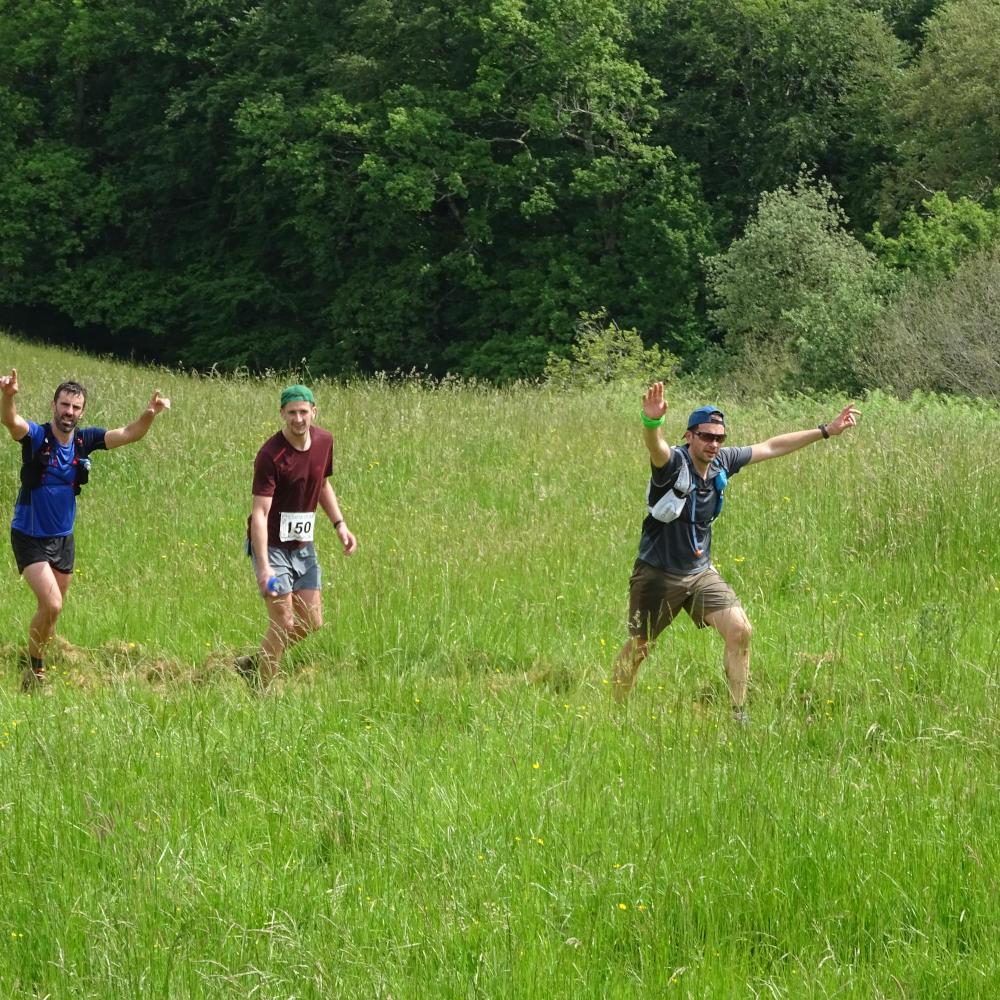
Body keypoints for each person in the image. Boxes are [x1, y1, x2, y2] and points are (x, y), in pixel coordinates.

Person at [611, 382, 859, 720]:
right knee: (640, 646)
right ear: (689, 436)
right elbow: (656, 449)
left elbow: (771, 447)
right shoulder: (672, 465)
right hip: (657, 572)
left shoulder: (722, 462)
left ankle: (738, 713)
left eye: (719, 438)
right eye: (706, 436)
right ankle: (615, 712)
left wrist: (826, 431)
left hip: (699, 573)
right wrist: (651, 423)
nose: (714, 443)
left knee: (740, 629)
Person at [1, 369, 171, 690]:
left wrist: (149, 414)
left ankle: (38, 660)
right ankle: (35, 672)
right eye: (65, 405)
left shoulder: (84, 440)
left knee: (51, 613)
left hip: (63, 538)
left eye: (76, 407)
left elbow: (129, 433)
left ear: (82, 411)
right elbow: (12, 422)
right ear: (54, 405)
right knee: (52, 604)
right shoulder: (38, 436)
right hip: (28, 534)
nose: (70, 412)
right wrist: (8, 397)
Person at [237, 384, 357, 687]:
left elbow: (322, 485)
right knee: (283, 622)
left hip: (304, 548)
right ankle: (263, 694)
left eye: (304, 412)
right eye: (292, 413)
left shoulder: (324, 442)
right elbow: (260, 514)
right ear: (282, 414)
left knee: (312, 622)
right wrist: (263, 567)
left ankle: (255, 662)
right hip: (273, 549)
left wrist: (340, 524)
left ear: (313, 412)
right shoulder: (270, 455)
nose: (298, 419)